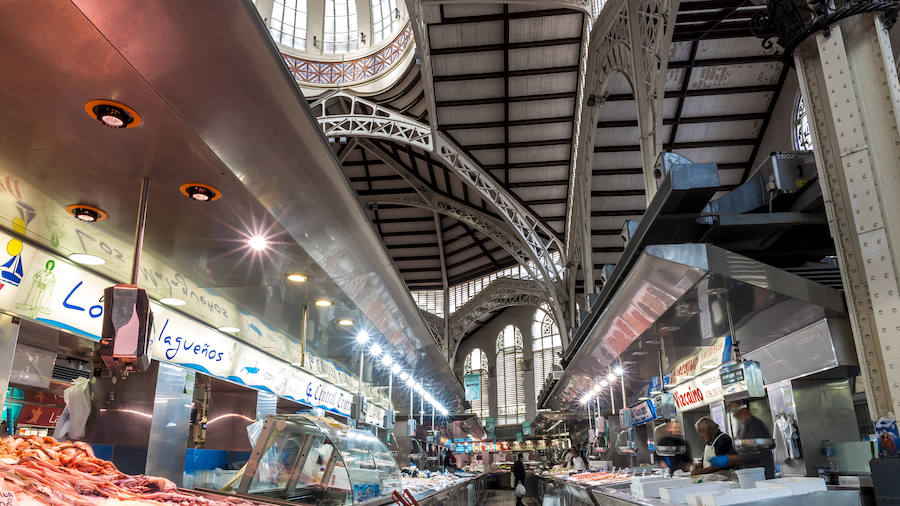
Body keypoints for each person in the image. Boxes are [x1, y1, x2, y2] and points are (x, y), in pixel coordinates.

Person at [708, 401, 775, 479]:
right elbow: (740, 452)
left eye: (731, 405)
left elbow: (754, 455)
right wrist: (725, 458)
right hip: (750, 475)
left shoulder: (754, 425)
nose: (729, 408)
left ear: (741, 404)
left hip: (762, 476)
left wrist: (728, 459)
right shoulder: (741, 429)